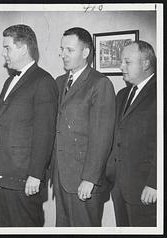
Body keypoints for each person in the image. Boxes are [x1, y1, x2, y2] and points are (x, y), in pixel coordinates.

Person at [0, 24, 58, 227]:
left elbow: (45, 133)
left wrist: (35, 175)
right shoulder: (10, 81)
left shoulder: (43, 81)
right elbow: (3, 119)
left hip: (24, 181)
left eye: (7, 47)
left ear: (23, 48)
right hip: (2, 178)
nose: (3, 53)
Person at [53, 27, 116, 226]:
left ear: (86, 53)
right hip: (62, 178)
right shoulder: (60, 81)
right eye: (62, 49)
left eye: (69, 50)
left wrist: (90, 178)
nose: (63, 54)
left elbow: (102, 136)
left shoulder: (100, 84)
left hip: (83, 181)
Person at [106, 41, 157, 227]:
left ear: (145, 64)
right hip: (119, 187)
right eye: (121, 62)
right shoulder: (122, 94)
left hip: (145, 188)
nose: (121, 66)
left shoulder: (159, 93)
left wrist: (155, 183)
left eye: (127, 62)